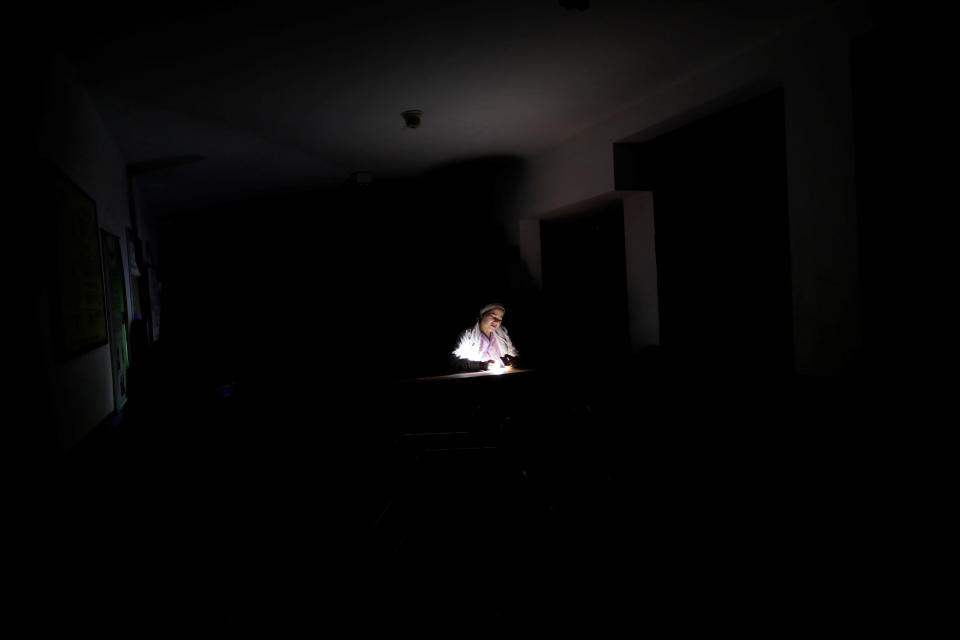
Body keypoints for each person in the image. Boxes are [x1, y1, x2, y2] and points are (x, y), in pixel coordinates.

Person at [450, 303, 519, 372]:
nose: (496, 321)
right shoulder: (467, 335)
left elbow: (514, 354)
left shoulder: (502, 332)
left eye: (500, 318)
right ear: (482, 315)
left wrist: (514, 361)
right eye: (493, 316)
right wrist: (481, 365)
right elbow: (455, 361)